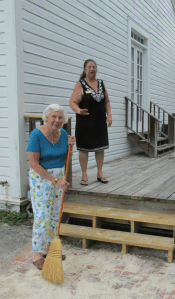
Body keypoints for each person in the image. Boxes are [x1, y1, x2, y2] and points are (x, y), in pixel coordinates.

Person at [27, 104, 75, 270]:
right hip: (42, 178)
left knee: (55, 213)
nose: (57, 120)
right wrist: (55, 180)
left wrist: (70, 146)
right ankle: (37, 254)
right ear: (47, 117)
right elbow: (33, 163)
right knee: (42, 216)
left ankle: (49, 248)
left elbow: (66, 158)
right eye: (54, 116)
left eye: (60, 117)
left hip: (59, 176)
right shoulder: (36, 134)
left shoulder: (62, 134)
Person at [69, 59, 112, 185]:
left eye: (94, 67)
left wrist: (109, 115)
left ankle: (100, 173)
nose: (92, 69)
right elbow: (72, 102)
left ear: (96, 69)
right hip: (85, 122)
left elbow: (107, 101)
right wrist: (78, 110)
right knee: (84, 149)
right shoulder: (80, 84)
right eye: (89, 67)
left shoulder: (101, 83)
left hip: (100, 122)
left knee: (100, 148)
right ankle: (84, 174)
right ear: (85, 69)